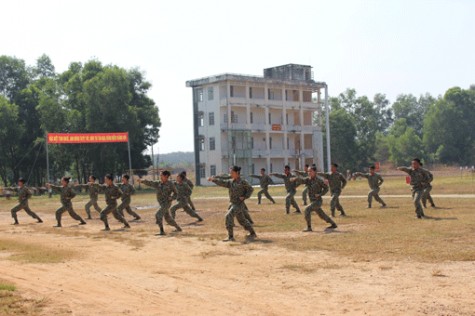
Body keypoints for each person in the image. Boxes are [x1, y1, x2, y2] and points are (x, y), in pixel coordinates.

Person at [208, 166, 256, 242]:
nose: (230, 174)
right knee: (242, 220)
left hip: (239, 204)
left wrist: (244, 197)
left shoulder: (243, 182)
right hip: (233, 203)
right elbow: (223, 183)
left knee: (228, 215)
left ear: (237, 173)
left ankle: (230, 237)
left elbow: (250, 189)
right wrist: (214, 180)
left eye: (232, 172)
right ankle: (252, 233)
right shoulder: (231, 182)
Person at [292, 165, 337, 231]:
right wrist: (296, 178)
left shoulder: (319, 180)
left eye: (310, 171)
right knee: (322, 215)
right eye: (308, 171)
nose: (309, 173)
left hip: (318, 201)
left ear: (315, 172)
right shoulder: (308, 179)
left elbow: (326, 188)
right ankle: (333, 224)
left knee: (307, 209)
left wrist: (320, 194)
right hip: (312, 201)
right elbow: (302, 181)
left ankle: (309, 227)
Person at [139, 171, 182, 235]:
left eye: (161, 175)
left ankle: (162, 231)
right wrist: (142, 181)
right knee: (168, 219)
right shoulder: (159, 183)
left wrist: (172, 198)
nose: (160, 176)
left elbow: (176, 194)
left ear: (166, 176)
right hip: (161, 203)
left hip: (167, 203)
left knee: (158, 215)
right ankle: (178, 228)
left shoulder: (171, 184)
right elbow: (150, 183)